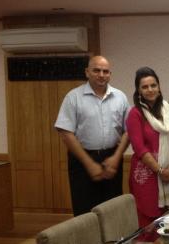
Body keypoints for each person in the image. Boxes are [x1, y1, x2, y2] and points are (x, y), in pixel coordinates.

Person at [55, 56, 129, 216]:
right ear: (87, 72)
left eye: (105, 71)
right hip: (82, 161)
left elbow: (128, 131)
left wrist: (117, 157)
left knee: (113, 210)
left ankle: (113, 242)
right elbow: (66, 133)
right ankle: (88, 242)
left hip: (112, 159)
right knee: (84, 212)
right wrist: (88, 163)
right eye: (96, 70)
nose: (101, 74)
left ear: (110, 74)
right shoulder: (73, 97)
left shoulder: (120, 97)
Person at [126, 67, 169, 227]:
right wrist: (160, 171)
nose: (150, 90)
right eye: (145, 87)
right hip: (146, 175)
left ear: (159, 86)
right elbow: (139, 148)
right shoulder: (135, 114)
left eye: (153, 85)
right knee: (148, 221)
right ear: (138, 91)